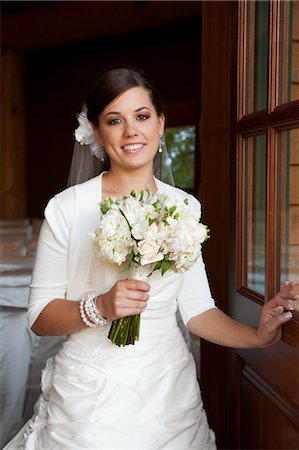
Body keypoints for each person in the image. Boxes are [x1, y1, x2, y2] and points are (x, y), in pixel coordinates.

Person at [4, 66, 297, 450]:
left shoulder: (184, 207)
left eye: (142, 116)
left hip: (168, 393)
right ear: (96, 132)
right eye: (114, 120)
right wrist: (101, 307)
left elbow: (197, 311)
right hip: (90, 397)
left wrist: (258, 337)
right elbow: (40, 318)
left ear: (160, 124)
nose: (131, 131)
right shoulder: (68, 208)